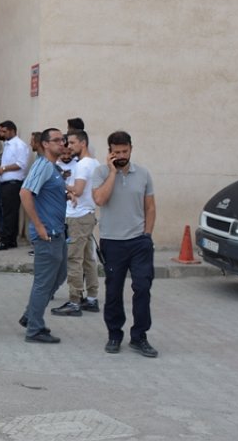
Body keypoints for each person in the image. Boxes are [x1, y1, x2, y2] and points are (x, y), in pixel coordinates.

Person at [91, 131, 158, 358]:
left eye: (125, 151)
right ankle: (114, 334)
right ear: (109, 152)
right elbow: (100, 199)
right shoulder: (100, 173)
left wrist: (147, 235)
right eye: (116, 152)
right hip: (112, 242)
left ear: (131, 149)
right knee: (113, 291)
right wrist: (112, 173)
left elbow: (150, 207)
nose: (121, 155)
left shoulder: (144, 174)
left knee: (142, 288)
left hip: (139, 242)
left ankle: (139, 336)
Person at [18, 128, 69, 344]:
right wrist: (38, 225)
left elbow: (48, 192)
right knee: (44, 282)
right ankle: (34, 329)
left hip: (58, 231)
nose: (62, 144)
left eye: (62, 140)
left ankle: (31, 315)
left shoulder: (52, 167)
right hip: (47, 233)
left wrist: (67, 193)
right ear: (45, 144)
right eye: (56, 140)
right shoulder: (42, 165)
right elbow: (25, 193)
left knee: (59, 276)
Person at [51, 130, 101, 317]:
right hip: (87, 214)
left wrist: (60, 182)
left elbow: (78, 190)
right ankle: (92, 298)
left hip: (78, 218)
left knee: (74, 259)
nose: (68, 146)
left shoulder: (83, 165)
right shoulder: (94, 163)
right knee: (88, 259)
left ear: (83, 143)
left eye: (72, 143)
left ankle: (74, 301)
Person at [0, 120, 28, 251]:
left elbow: (21, 164)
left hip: (13, 183)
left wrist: (4, 168)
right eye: (0, 131)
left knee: (9, 212)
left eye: (4, 131)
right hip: (4, 181)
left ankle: (6, 240)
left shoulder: (19, 145)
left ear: (12, 131)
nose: (1, 133)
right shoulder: (6, 144)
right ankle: (10, 238)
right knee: (2, 208)